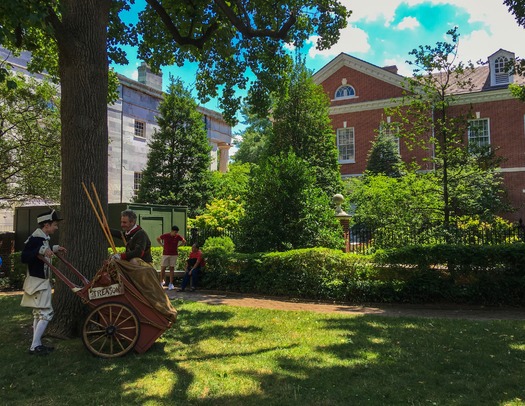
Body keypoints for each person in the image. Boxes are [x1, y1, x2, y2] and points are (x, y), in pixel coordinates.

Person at [21, 209, 67, 356]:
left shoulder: (42, 238)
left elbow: (42, 249)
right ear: (46, 225)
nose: (56, 227)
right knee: (47, 313)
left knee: (38, 314)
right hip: (37, 282)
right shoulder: (36, 239)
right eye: (54, 224)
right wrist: (42, 250)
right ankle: (35, 346)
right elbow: (25, 256)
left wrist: (54, 248)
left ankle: (37, 344)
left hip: (39, 281)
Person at [156, 225, 186, 290]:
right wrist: (162, 245)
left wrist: (179, 246)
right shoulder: (166, 235)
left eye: (176, 232)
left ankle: (171, 283)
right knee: (163, 268)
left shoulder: (177, 236)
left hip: (174, 254)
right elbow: (158, 238)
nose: (176, 233)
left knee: (172, 268)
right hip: (166, 254)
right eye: (175, 232)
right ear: (172, 231)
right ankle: (161, 282)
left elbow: (184, 241)